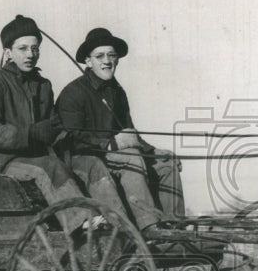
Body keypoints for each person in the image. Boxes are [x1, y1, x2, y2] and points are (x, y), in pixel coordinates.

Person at [0, 15, 91, 232]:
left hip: (31, 159)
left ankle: (112, 224)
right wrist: (31, 133)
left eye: (35, 48)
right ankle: (83, 224)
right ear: (8, 52)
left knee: (89, 165)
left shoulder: (43, 86)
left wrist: (68, 136)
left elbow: (52, 127)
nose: (30, 55)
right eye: (23, 48)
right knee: (49, 167)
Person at [56, 27, 184, 235]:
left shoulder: (117, 91)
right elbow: (71, 137)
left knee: (167, 163)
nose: (106, 61)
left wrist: (154, 152)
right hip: (85, 159)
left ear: (117, 60)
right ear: (88, 61)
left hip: (114, 154)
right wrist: (109, 144)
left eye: (111, 55)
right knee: (132, 158)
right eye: (99, 56)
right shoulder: (73, 93)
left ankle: (174, 225)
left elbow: (130, 133)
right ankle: (150, 228)